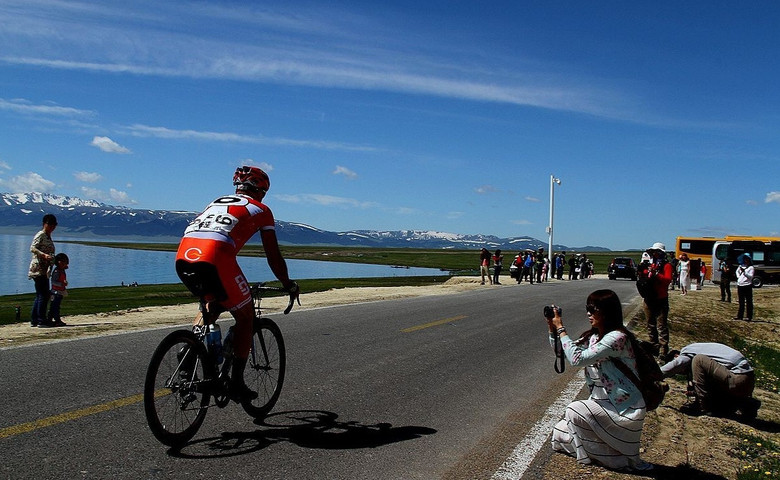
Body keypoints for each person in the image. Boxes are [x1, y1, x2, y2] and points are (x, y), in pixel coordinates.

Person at [175, 165, 300, 401]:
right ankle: (236, 383)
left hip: (184, 256)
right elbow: (273, 256)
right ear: (261, 190)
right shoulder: (261, 209)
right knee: (245, 316)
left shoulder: (215, 202)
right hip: (217, 257)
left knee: (211, 304)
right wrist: (288, 284)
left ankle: (192, 347)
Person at [546, 289, 653, 472]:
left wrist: (562, 328)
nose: (589, 313)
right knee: (559, 434)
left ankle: (614, 457)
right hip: (600, 405)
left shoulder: (617, 338)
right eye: (588, 308)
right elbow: (563, 352)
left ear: (606, 312)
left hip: (624, 410)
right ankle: (607, 452)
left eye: (593, 308)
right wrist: (552, 327)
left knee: (574, 410)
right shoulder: (593, 337)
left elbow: (577, 359)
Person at [661, 343, 760, 419]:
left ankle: (703, 406)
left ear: (676, 356)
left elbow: (678, 363)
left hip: (737, 379)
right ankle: (746, 404)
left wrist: (655, 374)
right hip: (747, 381)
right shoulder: (707, 351)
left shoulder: (687, 351)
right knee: (721, 409)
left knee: (698, 360)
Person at [642, 242, 674, 360]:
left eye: (656, 252)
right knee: (650, 324)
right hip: (649, 297)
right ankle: (654, 347)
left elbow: (667, 280)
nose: (654, 254)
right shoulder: (651, 264)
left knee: (661, 325)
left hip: (660, 298)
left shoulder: (667, 266)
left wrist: (656, 275)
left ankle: (663, 350)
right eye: (653, 252)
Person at [28, 214, 57, 328]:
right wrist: (43, 255)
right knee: (43, 294)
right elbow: (32, 248)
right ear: (44, 224)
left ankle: (35, 319)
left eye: (53, 225)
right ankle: (41, 319)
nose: (51, 227)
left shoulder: (48, 236)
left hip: (45, 269)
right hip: (38, 268)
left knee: (41, 294)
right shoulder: (41, 235)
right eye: (49, 225)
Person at [47, 253, 69, 327]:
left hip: (60, 292)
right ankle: (54, 320)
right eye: (63, 262)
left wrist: (64, 283)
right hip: (55, 292)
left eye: (65, 263)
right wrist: (61, 284)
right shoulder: (57, 271)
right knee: (54, 307)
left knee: (56, 306)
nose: (64, 264)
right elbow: (53, 282)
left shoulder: (62, 270)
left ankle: (53, 320)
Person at [734, 254, 754, 321]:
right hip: (740, 285)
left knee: (749, 301)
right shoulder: (741, 266)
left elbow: (751, 277)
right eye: (745, 259)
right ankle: (740, 316)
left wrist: (744, 272)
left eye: (747, 259)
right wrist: (738, 277)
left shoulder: (751, 268)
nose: (746, 261)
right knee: (741, 301)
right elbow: (737, 272)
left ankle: (749, 316)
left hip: (747, 285)